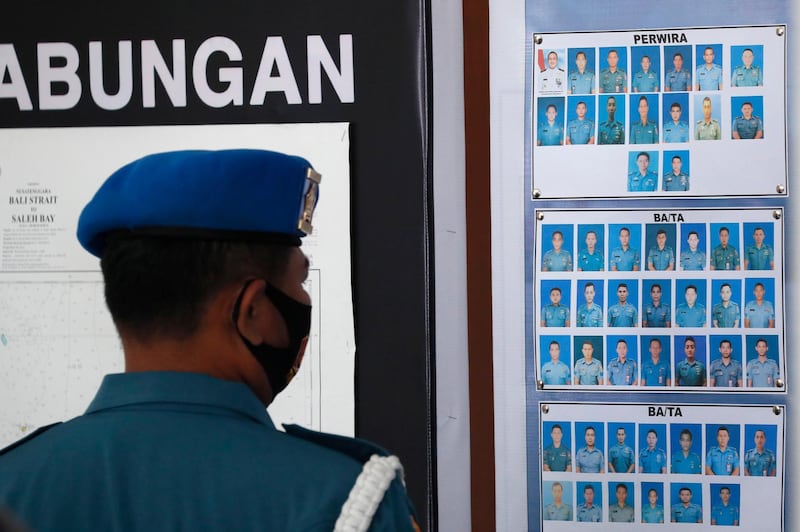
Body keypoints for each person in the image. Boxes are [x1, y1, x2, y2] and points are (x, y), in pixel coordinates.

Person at [0, 150, 418, 531]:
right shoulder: (348, 499)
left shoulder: (13, 481)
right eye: (300, 282)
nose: (304, 300)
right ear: (252, 310)